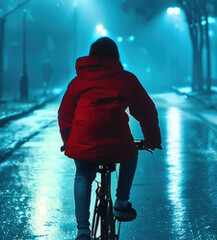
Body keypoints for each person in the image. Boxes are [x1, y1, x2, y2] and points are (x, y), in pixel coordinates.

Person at [58, 37, 162, 240]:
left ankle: (82, 231)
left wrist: (68, 140)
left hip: (83, 141)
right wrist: (152, 139)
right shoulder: (127, 79)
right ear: (116, 56)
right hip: (117, 142)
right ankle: (121, 203)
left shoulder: (78, 82)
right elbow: (146, 111)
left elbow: (65, 115)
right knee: (131, 155)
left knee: (82, 175)